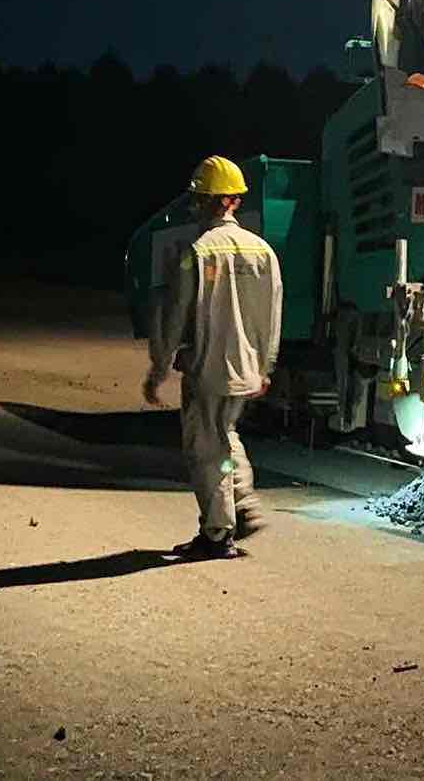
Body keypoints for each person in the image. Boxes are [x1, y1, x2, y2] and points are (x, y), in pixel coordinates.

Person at [144, 155, 284, 559]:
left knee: (206, 447)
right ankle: (244, 505)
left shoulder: (198, 252)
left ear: (219, 201)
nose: (195, 207)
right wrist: (265, 367)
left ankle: (218, 534)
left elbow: (176, 316)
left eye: (200, 199)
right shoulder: (264, 252)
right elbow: (273, 315)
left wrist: (159, 367)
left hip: (207, 369)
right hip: (246, 370)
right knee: (225, 434)